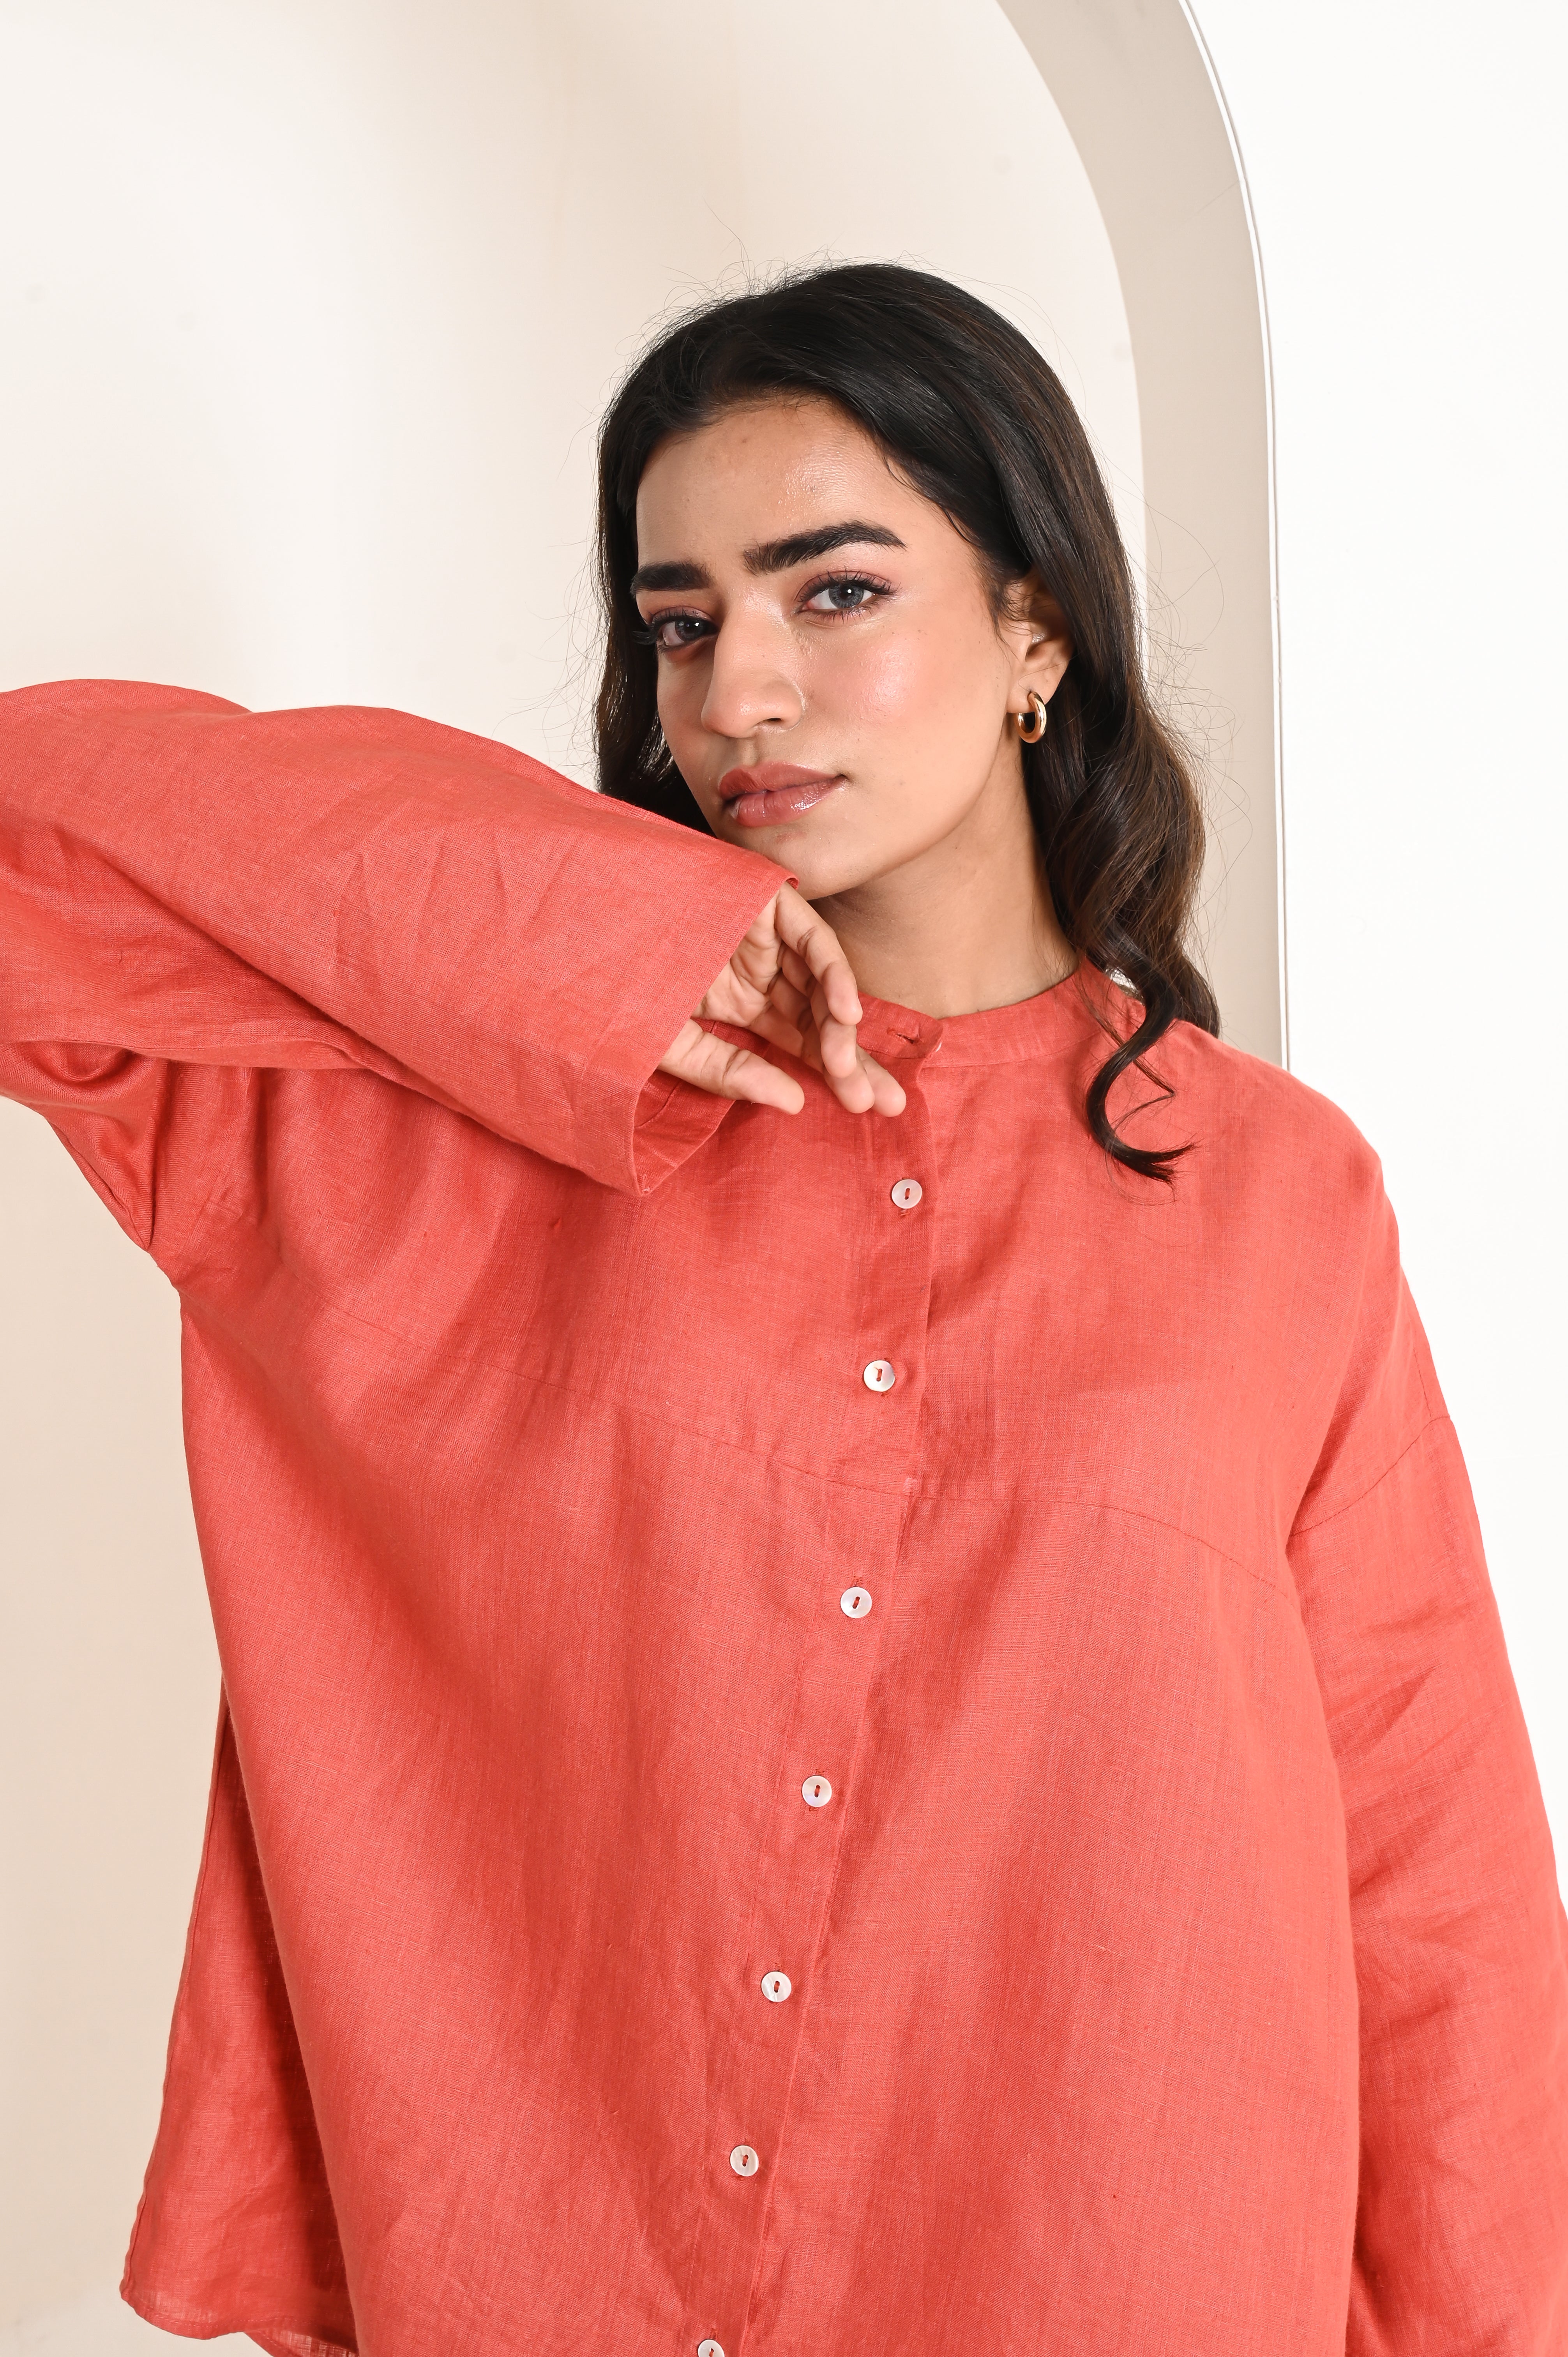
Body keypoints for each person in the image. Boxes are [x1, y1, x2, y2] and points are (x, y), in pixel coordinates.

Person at [2, 262, 1564, 2357]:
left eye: (834, 592)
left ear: (1034, 632)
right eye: (681, 622)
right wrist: (586, 936)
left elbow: (1433, 1882)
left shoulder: (1276, 1196)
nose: (739, 688)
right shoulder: (415, 1136)